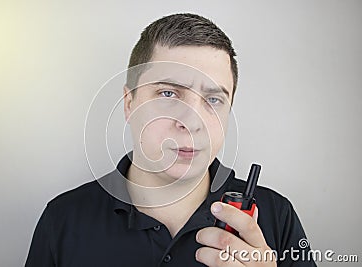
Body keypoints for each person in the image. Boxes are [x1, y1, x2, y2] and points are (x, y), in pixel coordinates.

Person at [25, 13, 316, 266]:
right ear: (129, 103)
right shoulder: (63, 219)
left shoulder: (276, 218)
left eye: (213, 99)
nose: (191, 122)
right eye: (168, 93)